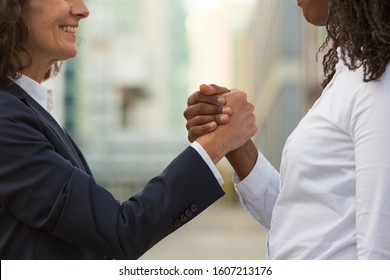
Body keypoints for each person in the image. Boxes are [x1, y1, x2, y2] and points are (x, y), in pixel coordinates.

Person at [0, 0, 257, 259]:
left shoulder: (27, 111)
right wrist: (217, 142)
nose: (82, 9)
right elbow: (120, 231)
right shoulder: (6, 120)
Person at [184, 0, 390, 259]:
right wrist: (232, 139)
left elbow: (380, 253)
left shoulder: (378, 85)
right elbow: (296, 217)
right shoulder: (351, 76)